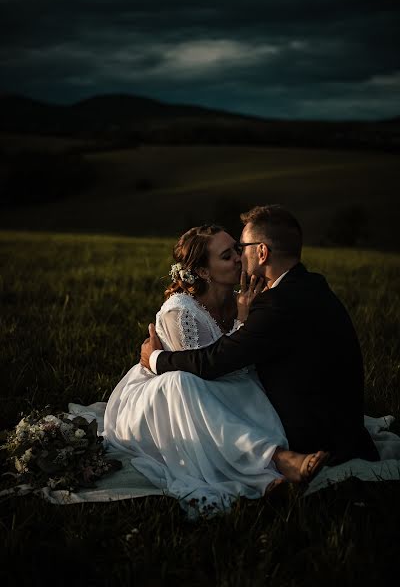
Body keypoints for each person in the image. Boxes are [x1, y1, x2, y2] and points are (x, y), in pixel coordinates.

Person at [104, 224, 328, 515]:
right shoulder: (179, 311)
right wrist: (243, 323)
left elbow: (235, 363)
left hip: (212, 386)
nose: (238, 257)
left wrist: (244, 316)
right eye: (226, 255)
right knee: (182, 384)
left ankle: (265, 478)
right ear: (205, 272)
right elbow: (202, 374)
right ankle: (278, 461)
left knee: (248, 387)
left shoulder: (241, 299)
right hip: (167, 403)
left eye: (237, 249)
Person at [141, 206, 379, 466]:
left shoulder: (276, 304)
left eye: (241, 247)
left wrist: (155, 358)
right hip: (339, 421)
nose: (239, 257)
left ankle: (279, 459)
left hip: (313, 434)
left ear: (262, 252)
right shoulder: (311, 283)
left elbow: (213, 362)